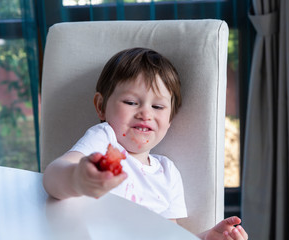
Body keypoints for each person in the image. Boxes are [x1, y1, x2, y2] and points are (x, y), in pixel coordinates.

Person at [43, 47, 248, 240]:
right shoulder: (104, 140)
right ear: (101, 106)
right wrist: (78, 178)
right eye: (131, 102)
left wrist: (204, 237)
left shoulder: (168, 173)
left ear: (170, 119)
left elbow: (168, 235)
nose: (145, 113)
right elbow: (52, 179)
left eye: (158, 106)